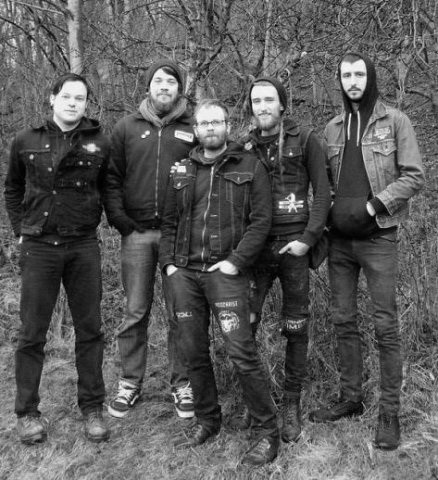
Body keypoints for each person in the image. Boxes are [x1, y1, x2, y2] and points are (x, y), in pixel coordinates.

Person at [309, 52, 425, 450]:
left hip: (378, 239)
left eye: (359, 74)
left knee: (385, 325)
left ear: (370, 76)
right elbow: (324, 183)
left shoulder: (396, 121)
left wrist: (374, 206)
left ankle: (389, 412)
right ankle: (351, 397)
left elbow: (414, 176)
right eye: (346, 75)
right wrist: (324, 218)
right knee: (343, 320)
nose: (353, 81)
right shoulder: (332, 127)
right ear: (339, 80)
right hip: (339, 243)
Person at [159, 99, 279, 466]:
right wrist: (168, 265)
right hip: (185, 275)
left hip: (225, 275)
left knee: (241, 351)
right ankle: (208, 420)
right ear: (195, 129)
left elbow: (261, 221)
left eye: (217, 121)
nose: (210, 127)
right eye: (204, 123)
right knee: (192, 351)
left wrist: (236, 262)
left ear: (227, 126)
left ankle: (267, 430)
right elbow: (168, 222)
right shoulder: (182, 169)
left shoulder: (250, 166)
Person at [4, 73, 111, 444]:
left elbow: (109, 188)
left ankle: (92, 407)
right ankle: (27, 413)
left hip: (83, 245)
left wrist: (119, 222)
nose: (72, 103)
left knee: (90, 330)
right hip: (39, 246)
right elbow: (12, 188)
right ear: (52, 99)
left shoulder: (100, 142)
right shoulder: (26, 140)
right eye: (66, 96)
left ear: (86, 104)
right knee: (32, 333)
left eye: (80, 98)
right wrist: (21, 229)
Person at [233, 77, 331, 443]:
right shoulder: (243, 146)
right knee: (246, 325)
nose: (262, 106)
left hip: (294, 247)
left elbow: (323, 192)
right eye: (256, 101)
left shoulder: (305, 140)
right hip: (255, 248)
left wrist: (308, 239)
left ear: (282, 104)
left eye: (269, 100)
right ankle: (254, 400)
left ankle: (291, 403)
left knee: (296, 326)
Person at [104, 60, 195, 419]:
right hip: (137, 235)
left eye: (171, 81)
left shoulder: (192, 127)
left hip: (179, 237)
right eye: (158, 80)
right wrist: (121, 221)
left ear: (179, 89)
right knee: (135, 311)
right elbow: (111, 178)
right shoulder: (126, 127)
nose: (164, 86)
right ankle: (130, 382)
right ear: (148, 86)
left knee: (180, 313)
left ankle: (183, 383)